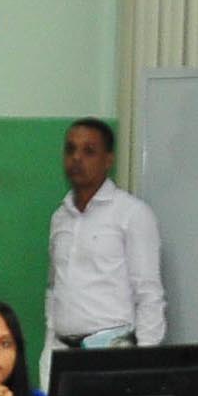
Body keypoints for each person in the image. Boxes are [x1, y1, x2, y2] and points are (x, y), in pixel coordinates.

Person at [45, 118, 164, 350]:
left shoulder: (132, 214)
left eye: (89, 151)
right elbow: (53, 287)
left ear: (108, 159)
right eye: (71, 150)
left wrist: (145, 357)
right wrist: (50, 342)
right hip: (61, 350)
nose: (77, 158)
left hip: (111, 350)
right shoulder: (60, 216)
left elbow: (149, 294)